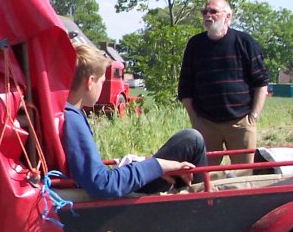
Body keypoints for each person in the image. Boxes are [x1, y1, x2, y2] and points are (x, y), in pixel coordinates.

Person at [62, 44, 207, 199]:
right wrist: (159, 165)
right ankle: (204, 203)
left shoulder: (67, 114)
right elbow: (102, 183)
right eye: (102, 81)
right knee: (192, 140)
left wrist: (143, 164)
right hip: (114, 198)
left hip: (111, 185)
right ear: (90, 82)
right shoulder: (73, 120)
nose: (102, 87)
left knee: (191, 140)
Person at [178, 0, 269, 166]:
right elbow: (185, 86)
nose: (208, 15)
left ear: (228, 16)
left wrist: (253, 117)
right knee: (205, 175)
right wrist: (195, 119)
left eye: (213, 11)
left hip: (241, 122)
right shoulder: (195, 44)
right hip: (206, 123)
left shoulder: (245, 42)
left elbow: (261, 83)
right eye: (204, 12)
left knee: (243, 174)